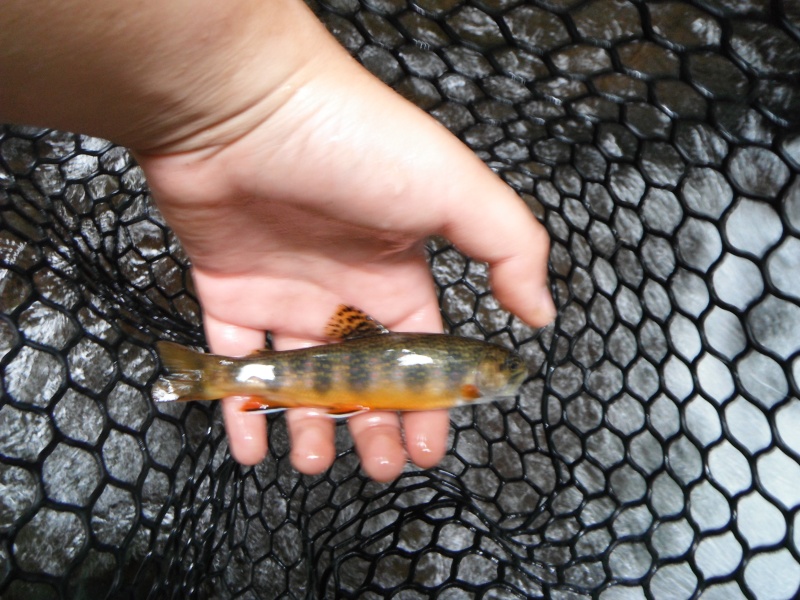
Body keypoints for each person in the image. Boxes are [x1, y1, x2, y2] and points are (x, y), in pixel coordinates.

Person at [0, 0, 555, 482]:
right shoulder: (462, 381)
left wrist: (242, 103)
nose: (510, 373)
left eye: (506, 368)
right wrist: (251, 105)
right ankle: (215, 375)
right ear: (479, 373)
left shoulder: (462, 376)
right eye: (504, 368)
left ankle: (218, 375)